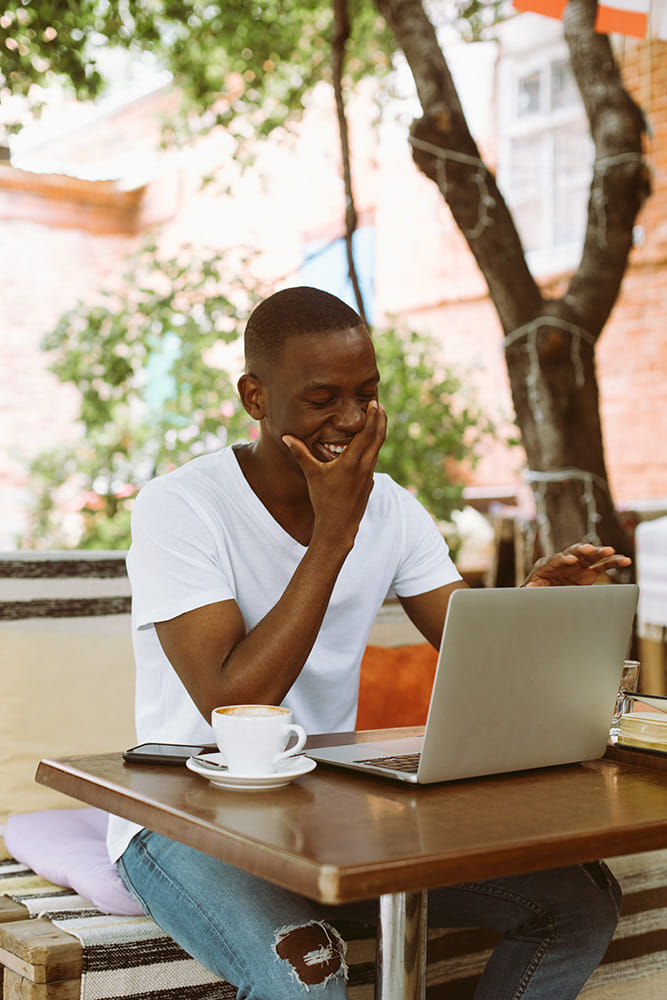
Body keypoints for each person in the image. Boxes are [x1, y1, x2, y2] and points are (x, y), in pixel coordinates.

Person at [108, 286, 631, 999]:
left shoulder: (391, 507)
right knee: (309, 973)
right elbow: (230, 702)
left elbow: (471, 643)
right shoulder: (181, 506)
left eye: (366, 393)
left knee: (579, 902)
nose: (352, 420)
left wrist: (530, 612)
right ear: (255, 397)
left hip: (325, 813)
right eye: (322, 398)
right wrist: (333, 534)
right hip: (183, 817)